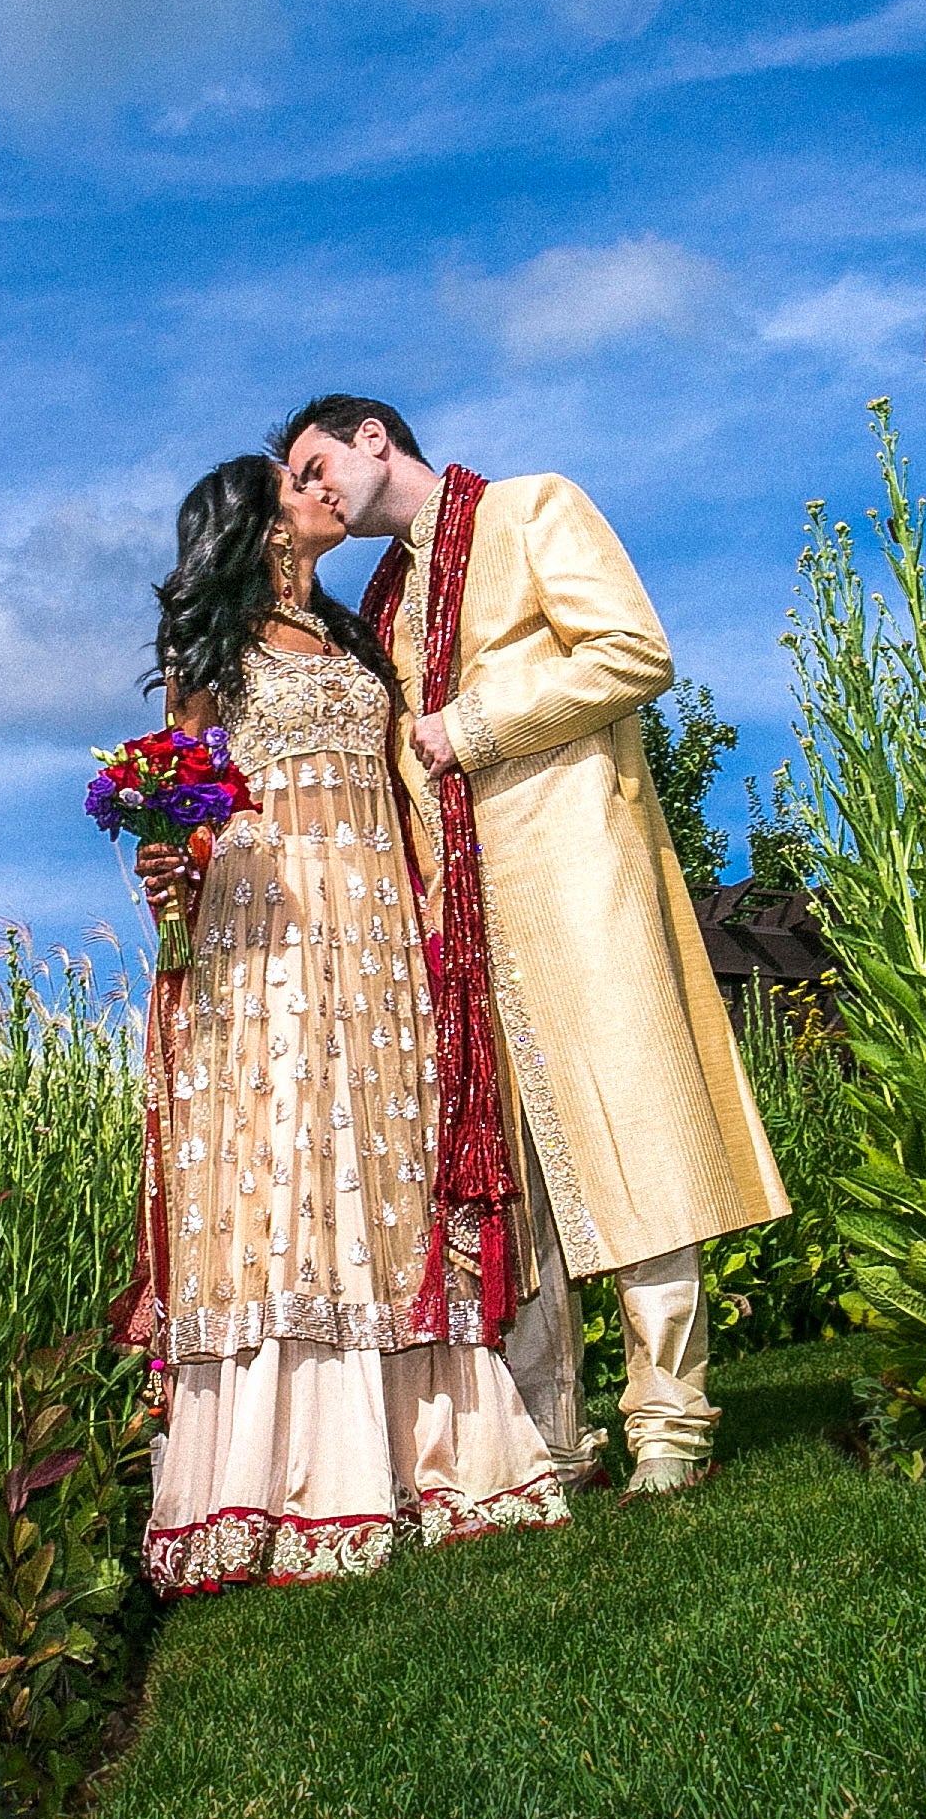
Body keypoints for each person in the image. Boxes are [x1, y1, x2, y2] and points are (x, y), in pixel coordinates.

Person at [258, 394, 788, 1495]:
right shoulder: (390, 597)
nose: (313, 496)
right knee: (516, 1174)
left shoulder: (531, 510)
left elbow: (634, 651)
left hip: (575, 875)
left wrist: (475, 723)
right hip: (462, 922)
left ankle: (671, 1424)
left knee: (633, 1137)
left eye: (317, 467)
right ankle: (551, 1433)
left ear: (371, 437)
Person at [121, 452, 573, 1593]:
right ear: (260, 522)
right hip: (266, 922)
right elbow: (178, 796)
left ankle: (429, 1454)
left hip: (376, 923)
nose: (322, 490)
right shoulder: (212, 651)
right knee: (285, 1163)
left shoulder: (361, 638)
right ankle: (287, 1476)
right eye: (296, 482)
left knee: (388, 1161)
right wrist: (168, 864)